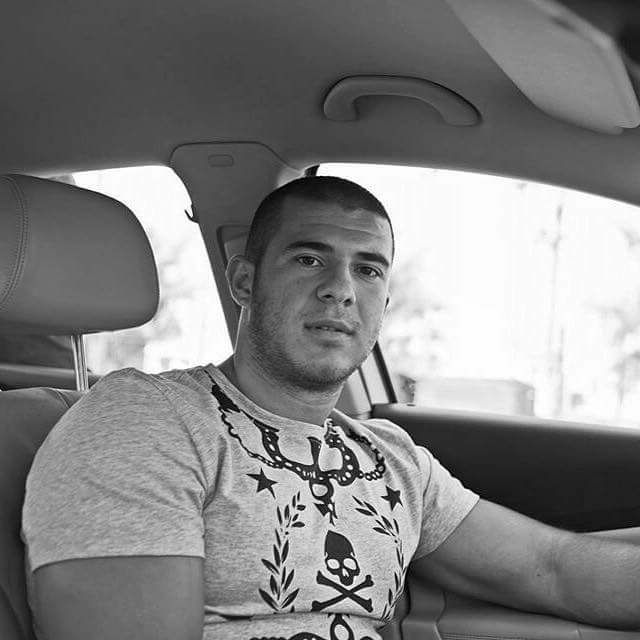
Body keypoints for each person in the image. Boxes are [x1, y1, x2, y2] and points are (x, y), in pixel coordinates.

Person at [22, 177, 640, 640]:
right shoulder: (144, 421)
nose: (340, 289)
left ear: (384, 302)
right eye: (309, 259)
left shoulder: (391, 459)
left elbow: (551, 569)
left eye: (367, 270)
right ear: (244, 282)